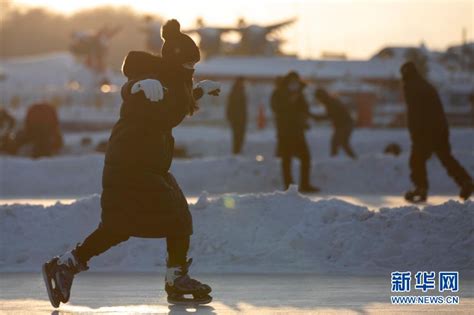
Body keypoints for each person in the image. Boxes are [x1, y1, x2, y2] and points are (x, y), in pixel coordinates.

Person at [42, 19, 222, 308]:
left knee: (122, 226)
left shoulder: (176, 82)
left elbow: (171, 111)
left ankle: (67, 265)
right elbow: (131, 92)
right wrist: (137, 85)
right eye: (188, 64)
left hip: (149, 166)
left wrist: (198, 91)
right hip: (130, 164)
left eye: (194, 65)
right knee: (168, 219)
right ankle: (174, 277)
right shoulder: (153, 79)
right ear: (175, 59)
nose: (191, 69)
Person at [400, 61, 473, 202]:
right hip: (440, 127)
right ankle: (465, 181)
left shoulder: (411, 86)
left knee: (416, 159)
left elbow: (414, 113)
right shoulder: (425, 84)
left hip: (425, 130)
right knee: (445, 157)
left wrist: (415, 133)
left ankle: (421, 188)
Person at [270, 71, 319, 193]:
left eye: (296, 82)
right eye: (292, 82)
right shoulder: (278, 93)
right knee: (287, 159)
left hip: (298, 131)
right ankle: (288, 186)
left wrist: (304, 120)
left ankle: (305, 184)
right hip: (285, 131)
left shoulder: (300, 94)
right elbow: (276, 108)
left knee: (305, 157)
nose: (294, 84)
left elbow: (304, 109)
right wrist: (289, 101)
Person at [313, 88, 357, 159]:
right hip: (345, 124)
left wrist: (317, 118)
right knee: (343, 143)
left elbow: (330, 115)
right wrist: (317, 117)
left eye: (318, 98)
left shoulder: (330, 103)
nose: (318, 101)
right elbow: (331, 115)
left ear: (321, 97)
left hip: (344, 125)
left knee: (335, 142)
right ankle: (354, 159)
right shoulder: (330, 101)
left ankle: (335, 160)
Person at [226, 77, 247, 154]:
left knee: (240, 135)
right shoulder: (236, 92)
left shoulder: (240, 91)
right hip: (237, 118)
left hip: (240, 118)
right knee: (238, 135)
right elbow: (230, 105)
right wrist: (230, 116)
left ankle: (238, 151)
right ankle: (236, 151)